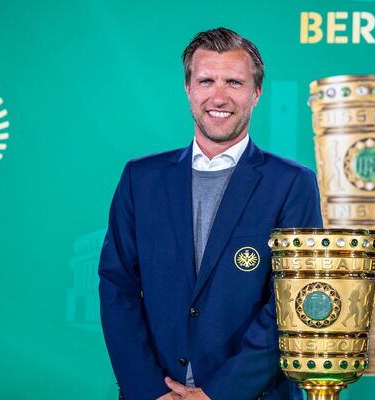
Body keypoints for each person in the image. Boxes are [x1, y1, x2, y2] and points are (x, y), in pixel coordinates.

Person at [98, 27, 321, 400]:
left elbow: (293, 300)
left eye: (234, 82)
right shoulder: (141, 178)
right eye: (206, 81)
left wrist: (220, 393)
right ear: (188, 89)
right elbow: (116, 287)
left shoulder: (292, 183)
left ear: (256, 93)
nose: (219, 96)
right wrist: (149, 389)